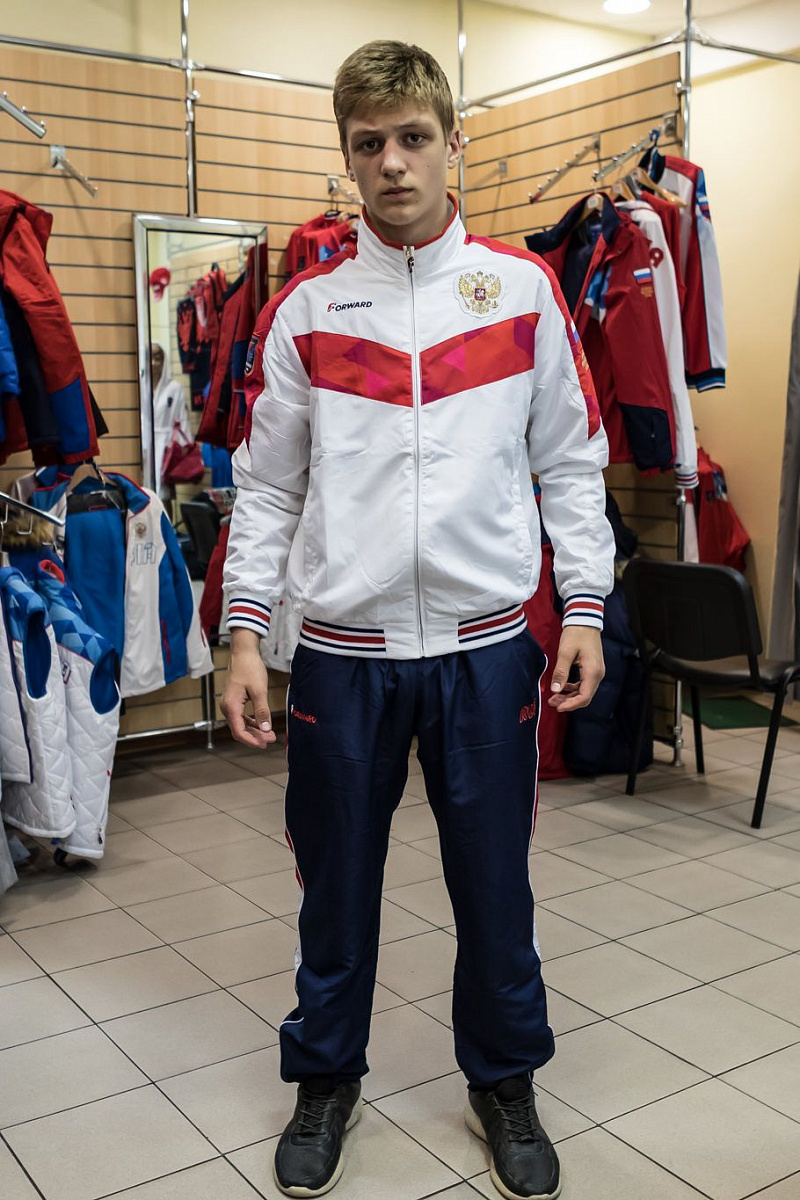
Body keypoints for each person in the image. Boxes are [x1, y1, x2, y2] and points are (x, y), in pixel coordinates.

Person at [222, 40, 615, 1200]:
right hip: (341, 658)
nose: (391, 162)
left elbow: (570, 462)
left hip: (485, 651)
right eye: (368, 144)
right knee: (332, 887)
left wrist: (584, 608)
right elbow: (267, 489)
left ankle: (504, 1081)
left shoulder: (523, 291)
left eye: (411, 137)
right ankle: (323, 1078)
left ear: (451, 144)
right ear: (346, 159)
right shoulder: (304, 309)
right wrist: (244, 632)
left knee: (494, 885)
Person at [149, 341, 188, 494]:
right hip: (146, 445)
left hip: (167, 445)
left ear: (163, 360)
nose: (153, 363)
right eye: (150, 358)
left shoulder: (174, 388)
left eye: (157, 358)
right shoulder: (141, 387)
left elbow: (182, 418)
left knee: (164, 494)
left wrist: (183, 447)